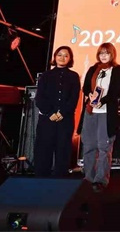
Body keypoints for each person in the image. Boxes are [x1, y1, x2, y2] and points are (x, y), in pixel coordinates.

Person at [77, 43, 120, 192]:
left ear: (112, 54)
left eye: (107, 53)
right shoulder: (93, 69)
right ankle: (88, 177)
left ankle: (100, 180)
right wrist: (90, 95)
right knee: (89, 145)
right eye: (101, 53)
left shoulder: (117, 70)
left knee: (104, 147)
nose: (104, 56)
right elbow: (86, 87)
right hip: (90, 111)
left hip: (106, 113)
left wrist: (102, 101)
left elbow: (116, 91)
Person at [34, 46, 81, 177]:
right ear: (55, 57)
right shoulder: (46, 75)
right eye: (59, 55)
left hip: (65, 119)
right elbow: (40, 98)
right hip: (47, 119)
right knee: (44, 149)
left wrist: (62, 113)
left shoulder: (73, 76)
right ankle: (41, 178)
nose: (62, 58)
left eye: (66, 55)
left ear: (70, 59)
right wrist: (50, 113)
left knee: (63, 149)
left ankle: (60, 179)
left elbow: (74, 98)